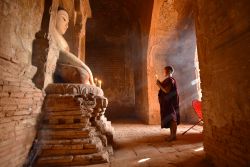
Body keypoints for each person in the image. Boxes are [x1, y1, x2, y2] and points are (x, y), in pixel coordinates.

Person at [52, 7, 95, 85]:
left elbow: (68, 59)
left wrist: (87, 70)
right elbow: (62, 55)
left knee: (84, 75)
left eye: (68, 23)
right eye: (63, 19)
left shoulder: (62, 40)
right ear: (53, 17)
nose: (67, 26)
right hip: (55, 68)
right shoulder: (52, 34)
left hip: (64, 67)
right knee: (82, 75)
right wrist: (88, 69)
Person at [156, 66, 180, 141]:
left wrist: (159, 84)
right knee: (171, 118)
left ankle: (173, 136)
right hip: (169, 102)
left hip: (171, 102)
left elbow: (167, 91)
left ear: (169, 71)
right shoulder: (169, 80)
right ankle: (172, 135)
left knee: (172, 118)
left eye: (164, 71)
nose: (164, 72)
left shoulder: (170, 80)